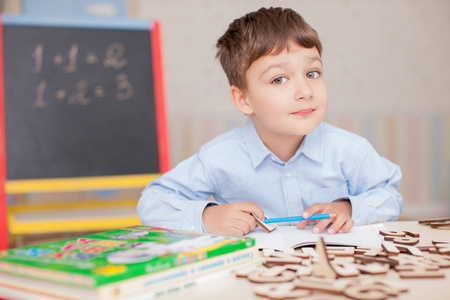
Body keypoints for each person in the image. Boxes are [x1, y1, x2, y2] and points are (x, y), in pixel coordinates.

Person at [137, 7, 403, 236]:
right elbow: (153, 202)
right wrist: (207, 217)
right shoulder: (219, 158)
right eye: (279, 79)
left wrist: (347, 208)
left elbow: (390, 197)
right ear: (243, 100)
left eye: (313, 73)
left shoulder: (350, 151)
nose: (306, 91)